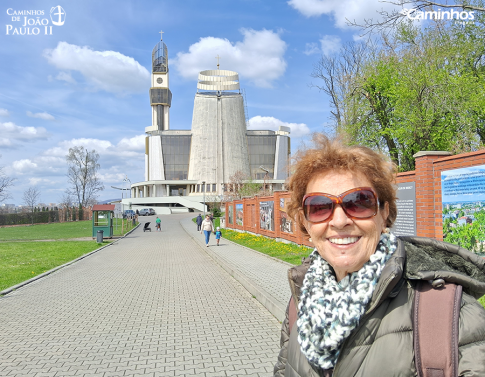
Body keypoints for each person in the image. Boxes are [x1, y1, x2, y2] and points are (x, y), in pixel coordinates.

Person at [274, 134, 485, 377]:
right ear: (305, 222)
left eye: (358, 202)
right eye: (320, 207)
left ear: (384, 213)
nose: (340, 221)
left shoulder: (451, 316)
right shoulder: (301, 300)